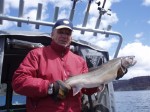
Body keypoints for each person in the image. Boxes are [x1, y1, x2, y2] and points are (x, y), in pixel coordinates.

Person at [12, 19, 99, 112]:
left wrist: (101, 81)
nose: (64, 36)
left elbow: (87, 89)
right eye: (60, 32)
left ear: (71, 38)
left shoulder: (80, 61)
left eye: (68, 33)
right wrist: (50, 87)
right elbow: (19, 82)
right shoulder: (36, 54)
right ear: (52, 35)